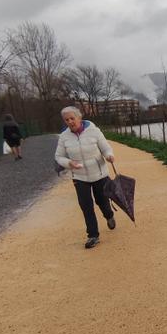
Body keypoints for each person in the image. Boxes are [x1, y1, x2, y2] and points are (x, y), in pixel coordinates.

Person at [54, 106, 117, 249]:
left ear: (79, 117)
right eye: (66, 120)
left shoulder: (94, 131)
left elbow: (105, 148)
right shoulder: (64, 137)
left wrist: (109, 156)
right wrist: (69, 163)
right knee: (86, 206)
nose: (70, 122)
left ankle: (109, 215)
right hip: (79, 176)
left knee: (102, 201)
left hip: (99, 174)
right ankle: (93, 235)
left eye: (72, 118)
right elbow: (58, 157)